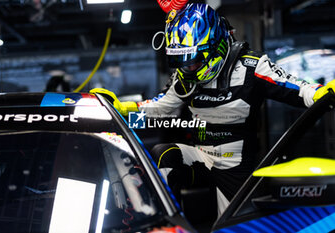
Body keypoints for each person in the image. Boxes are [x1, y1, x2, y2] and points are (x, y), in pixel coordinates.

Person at [90, 3, 335, 216]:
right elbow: (158, 108)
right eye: (181, 61)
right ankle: (168, 225)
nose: (188, 68)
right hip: (201, 157)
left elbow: (299, 89)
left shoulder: (253, 66)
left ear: (216, 46)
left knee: (230, 226)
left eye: (193, 60)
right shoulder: (185, 78)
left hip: (236, 165)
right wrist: (122, 108)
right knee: (164, 154)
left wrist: (324, 92)